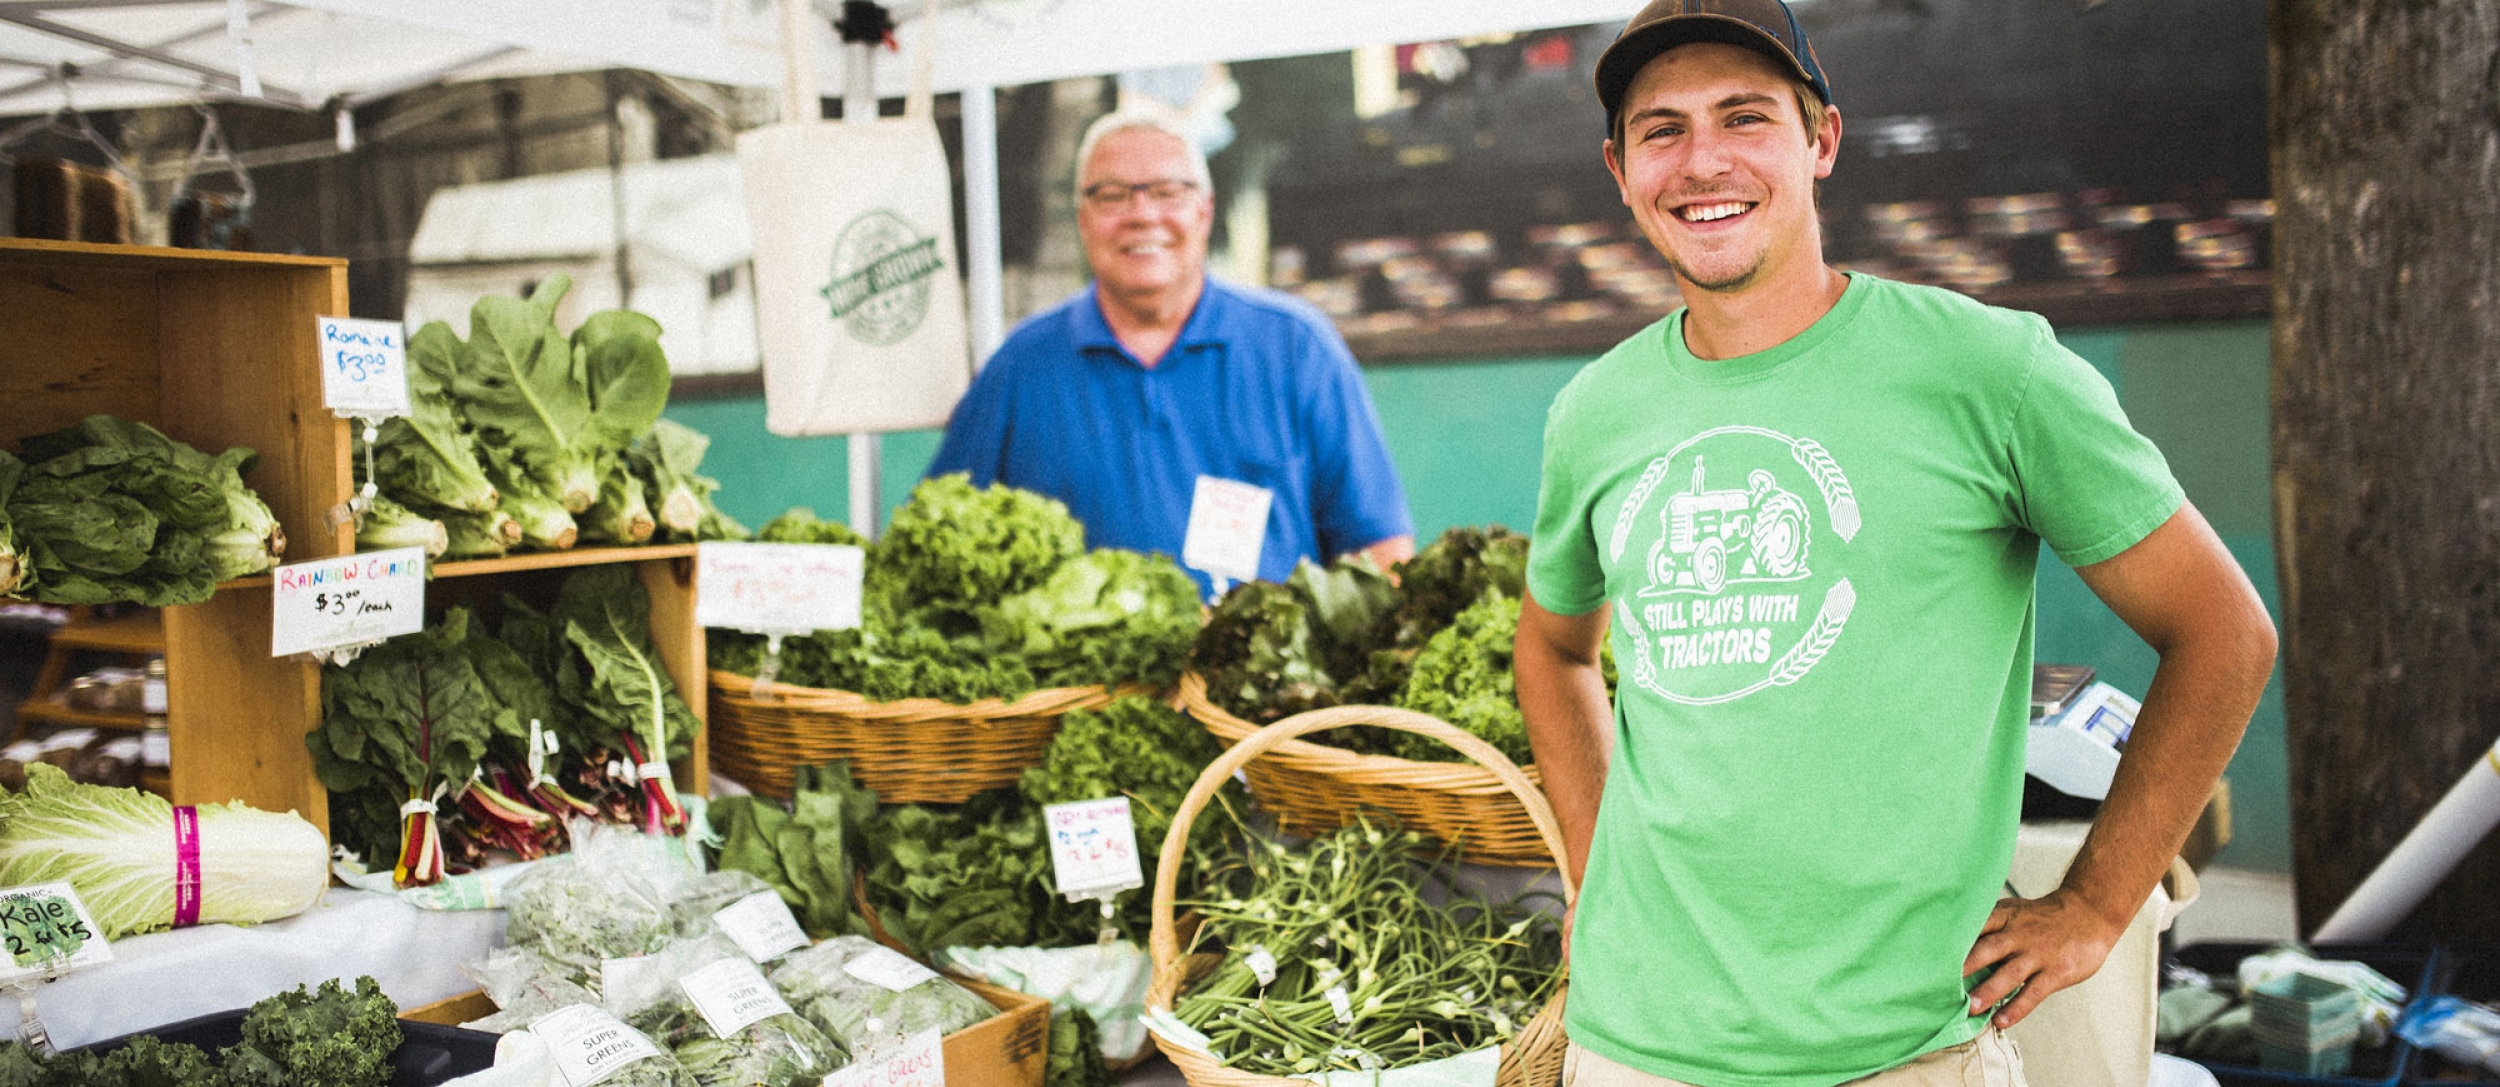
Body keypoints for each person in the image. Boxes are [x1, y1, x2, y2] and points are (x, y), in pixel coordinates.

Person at [1514, 2, 2279, 1084]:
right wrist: (1598, 875)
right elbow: (1551, 649)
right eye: (1662, 130)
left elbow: (2222, 633)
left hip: (1905, 1051)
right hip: (1634, 1045)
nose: (1702, 161)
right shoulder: (1596, 409)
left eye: (1744, 118)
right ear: (1619, 167)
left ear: (1822, 140)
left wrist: (2098, 904)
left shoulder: (1990, 373)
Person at [928, 109, 1415, 597]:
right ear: (1083, 220)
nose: (1142, 214)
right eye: (1112, 196)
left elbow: (1379, 548)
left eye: (1166, 192)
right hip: (1081, 676)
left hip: (1265, 673)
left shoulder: (1297, 347)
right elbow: (939, 539)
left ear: (1204, 211)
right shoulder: (1021, 366)